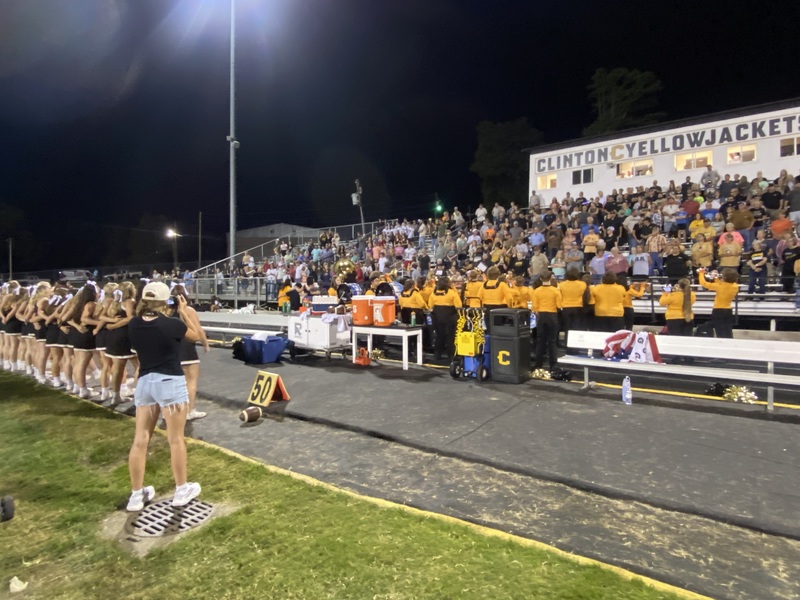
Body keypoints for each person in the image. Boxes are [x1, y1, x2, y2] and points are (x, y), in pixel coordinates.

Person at [126, 281, 202, 512]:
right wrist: (182, 312)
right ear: (165, 300)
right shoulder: (172, 324)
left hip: (145, 382)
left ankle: (136, 495)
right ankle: (181, 489)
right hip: (169, 381)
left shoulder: (134, 324)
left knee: (140, 439)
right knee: (175, 439)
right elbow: (195, 335)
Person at [531, 271, 562, 371]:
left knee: (540, 340)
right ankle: (553, 365)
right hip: (552, 316)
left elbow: (534, 308)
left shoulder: (536, 291)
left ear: (540, 278)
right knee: (552, 341)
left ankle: (537, 364)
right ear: (550, 278)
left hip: (541, 316)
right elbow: (559, 305)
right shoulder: (555, 291)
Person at [696, 268, 739, 338]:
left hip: (718, 310)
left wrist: (701, 273)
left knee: (720, 330)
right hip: (728, 310)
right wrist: (716, 278)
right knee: (728, 330)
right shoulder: (735, 286)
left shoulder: (720, 286)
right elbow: (722, 284)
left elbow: (703, 283)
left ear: (724, 277)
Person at [427, 276, 462, 360]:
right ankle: (451, 355)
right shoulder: (452, 292)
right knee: (450, 336)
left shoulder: (434, 293)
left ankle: (437, 354)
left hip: (437, 317)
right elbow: (459, 305)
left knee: (439, 336)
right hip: (450, 317)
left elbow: (430, 305)